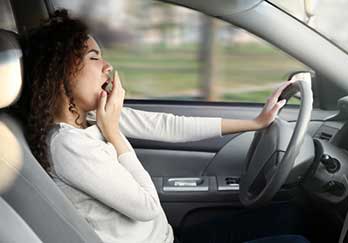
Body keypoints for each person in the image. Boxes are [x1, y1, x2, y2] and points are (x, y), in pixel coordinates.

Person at [21, 9, 294, 243]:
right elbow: (147, 206)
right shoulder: (68, 145)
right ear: (59, 72)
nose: (107, 66)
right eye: (94, 57)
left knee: (287, 214)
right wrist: (113, 132)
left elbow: (168, 126)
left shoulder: (91, 117)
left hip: (168, 235)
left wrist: (255, 122)